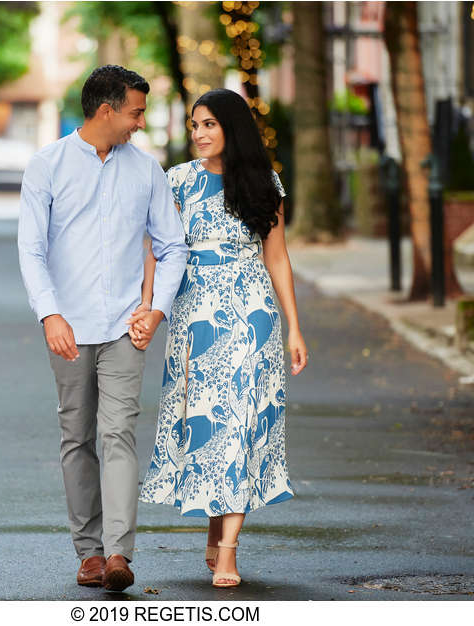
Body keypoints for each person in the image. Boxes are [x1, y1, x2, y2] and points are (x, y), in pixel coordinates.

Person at [17, 65, 188, 592]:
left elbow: (173, 244)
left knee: (118, 434)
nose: (141, 121)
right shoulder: (46, 166)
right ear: (107, 109)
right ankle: (88, 552)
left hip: (123, 327)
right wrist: (49, 313)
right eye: (136, 111)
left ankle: (118, 554)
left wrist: (155, 309)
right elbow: (32, 247)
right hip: (67, 326)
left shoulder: (147, 170)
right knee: (78, 437)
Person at [129, 88, 308, 588]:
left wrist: (294, 327)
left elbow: (277, 258)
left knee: (242, 423)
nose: (199, 134)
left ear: (232, 127)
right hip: (194, 317)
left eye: (208, 124)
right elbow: (157, 252)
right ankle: (216, 528)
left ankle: (228, 551)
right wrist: (148, 308)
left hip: (252, 316)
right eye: (193, 126)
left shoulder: (263, 183)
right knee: (208, 424)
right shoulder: (177, 181)